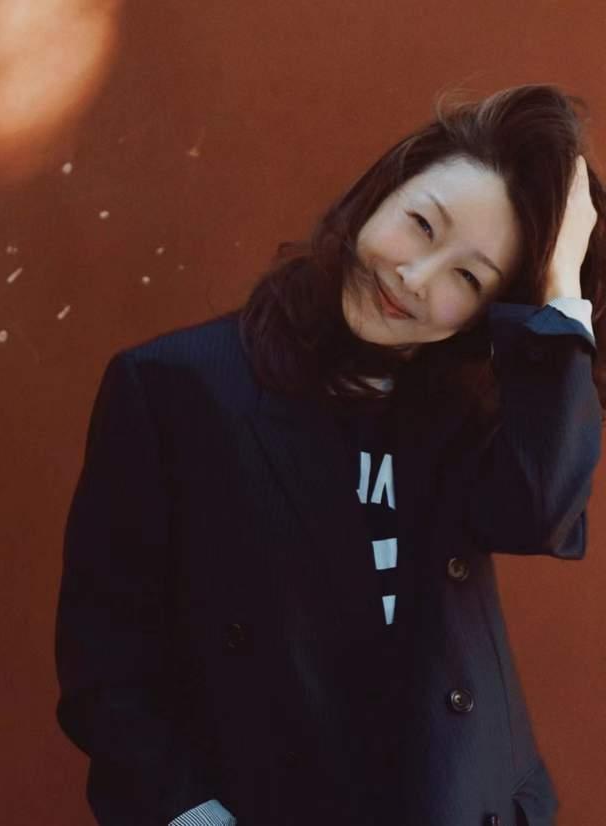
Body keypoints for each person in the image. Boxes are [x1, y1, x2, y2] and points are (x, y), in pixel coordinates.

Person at [54, 83, 605, 826]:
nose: (415, 279)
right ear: (381, 191)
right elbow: (105, 661)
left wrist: (563, 283)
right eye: (421, 224)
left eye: (468, 278)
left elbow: (541, 510)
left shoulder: (462, 411)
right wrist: (195, 817)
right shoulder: (174, 388)